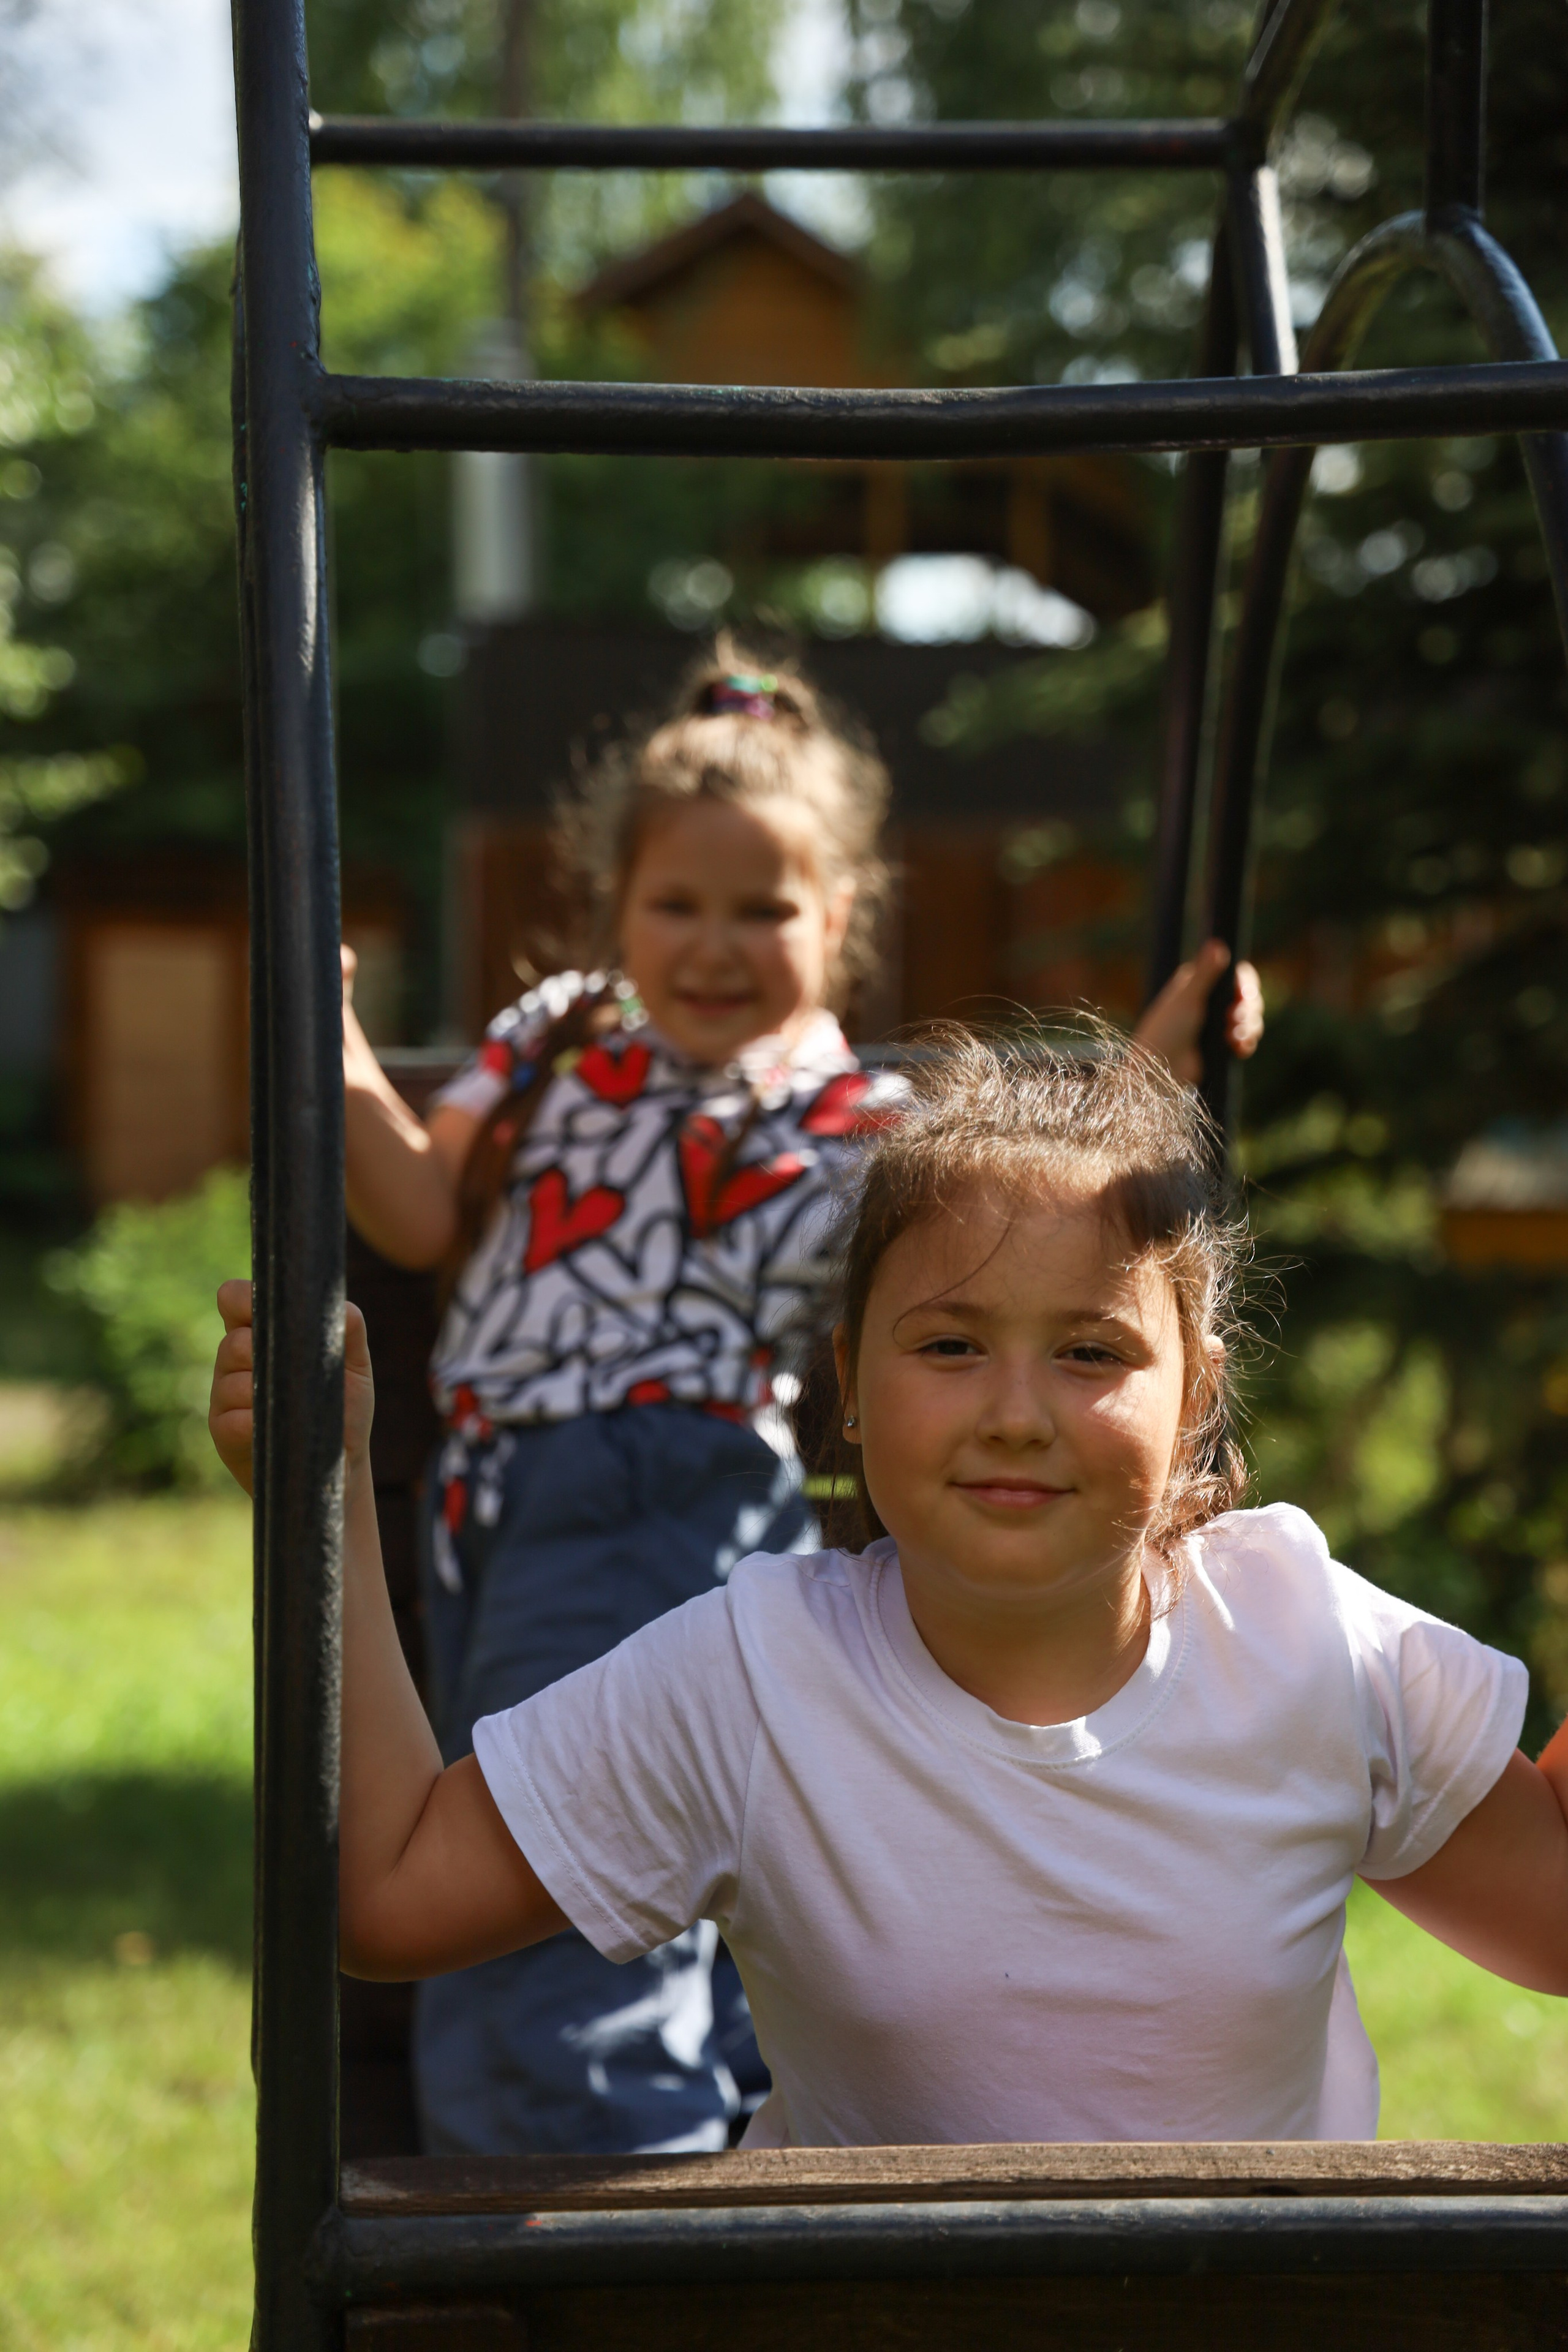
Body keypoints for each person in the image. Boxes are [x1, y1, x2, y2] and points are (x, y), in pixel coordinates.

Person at [211, 1027, 1568, 2147]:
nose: (1016, 1413)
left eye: (1091, 1354)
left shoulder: (1305, 1643)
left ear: (1194, 1396)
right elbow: (384, 1894)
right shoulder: (755, 1682)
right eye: (951, 1345)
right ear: (851, 1386)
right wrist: (322, 1492)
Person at [333, 639, 1264, 2154]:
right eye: (675, 907)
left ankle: (575, 2152)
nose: (713, 946)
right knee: (596, 1806)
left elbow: (1037, 1210)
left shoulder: (854, 1117)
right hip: (511, 1499)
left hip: (681, 1479)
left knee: (625, 1828)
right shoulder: (558, 1039)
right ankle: (652, 2131)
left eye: (762, 909)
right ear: (612, 912)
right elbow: (421, 1211)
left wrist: (1162, 1055)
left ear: (837, 921)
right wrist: (330, 1028)